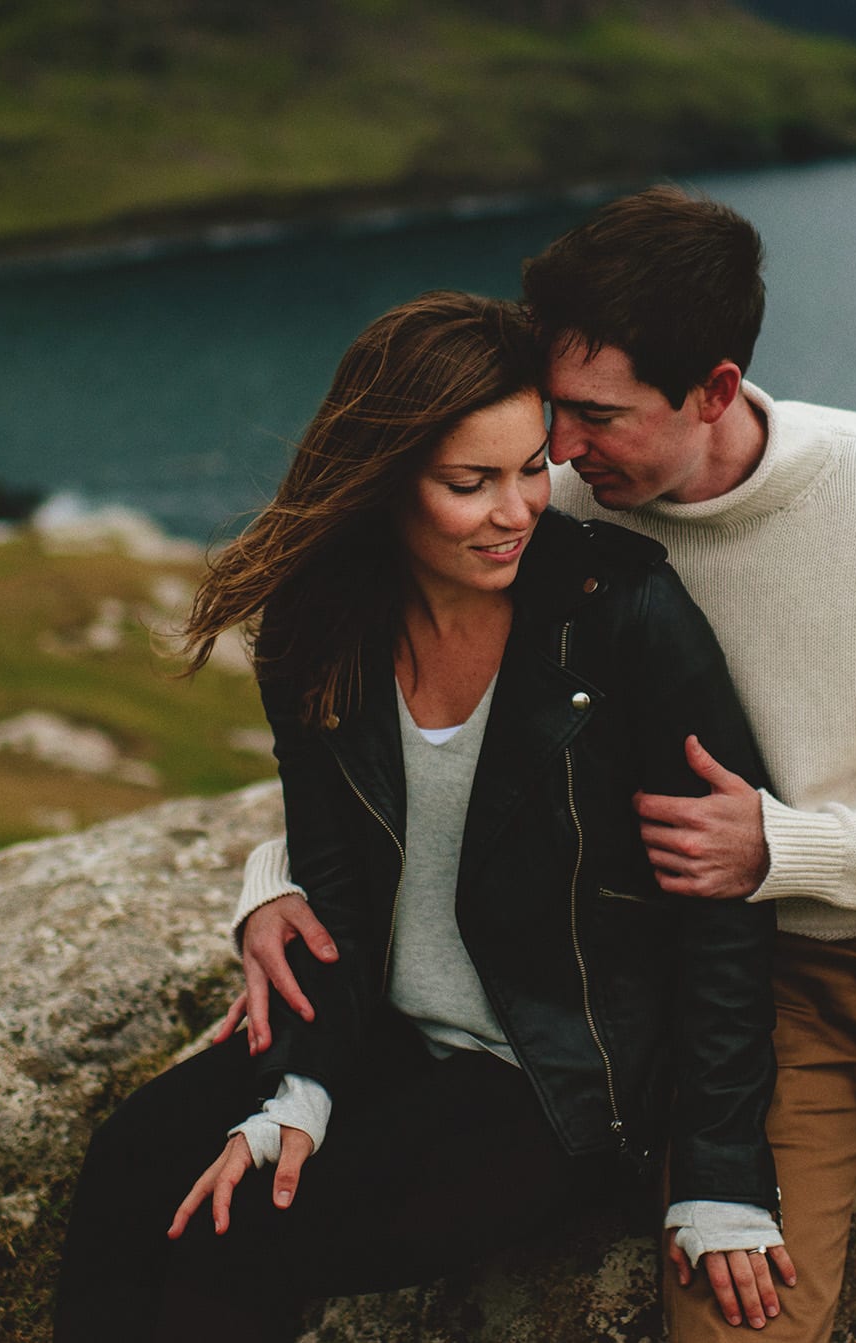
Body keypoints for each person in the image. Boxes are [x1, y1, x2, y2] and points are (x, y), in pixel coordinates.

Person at [227, 191, 856, 1343]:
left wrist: (788, 845)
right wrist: (281, 876)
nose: (557, 448)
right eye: (553, 410)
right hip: (753, 988)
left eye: (596, 415)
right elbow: (413, 727)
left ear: (712, 391)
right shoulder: (538, 506)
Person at [52, 290, 795, 1342]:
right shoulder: (318, 627)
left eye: (531, 465)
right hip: (383, 1033)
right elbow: (335, 878)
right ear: (384, 480)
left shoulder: (622, 615)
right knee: (132, 1154)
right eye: (470, 482)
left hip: (548, 1076)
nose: (519, 509)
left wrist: (719, 1171)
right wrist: (300, 1086)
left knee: (240, 1230)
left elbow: (725, 910)